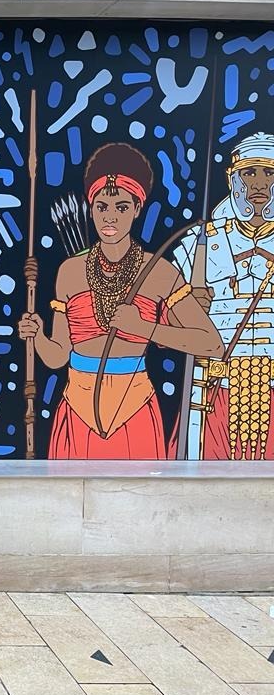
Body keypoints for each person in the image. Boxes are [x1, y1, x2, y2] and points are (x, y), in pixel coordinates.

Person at [19, 142, 223, 459]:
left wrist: (144, 328)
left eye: (122, 207)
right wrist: (37, 335)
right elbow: (58, 357)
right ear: (91, 208)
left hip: (135, 410)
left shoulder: (159, 272)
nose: (110, 217)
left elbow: (211, 344)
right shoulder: (70, 272)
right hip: (75, 411)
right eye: (102, 207)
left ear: (138, 208)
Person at [173, 132, 274, 459]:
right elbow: (164, 321)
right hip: (215, 391)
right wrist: (186, 312)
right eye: (250, 172)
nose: (259, 182)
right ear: (234, 179)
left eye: (269, 172)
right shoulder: (199, 243)